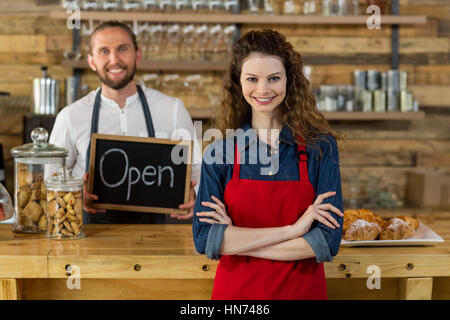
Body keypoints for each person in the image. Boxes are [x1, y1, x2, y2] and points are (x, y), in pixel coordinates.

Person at [192, 30, 344, 300]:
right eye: (252, 79)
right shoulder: (219, 153)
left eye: (274, 78)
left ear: (289, 80)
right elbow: (205, 239)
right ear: (239, 83)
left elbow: (326, 241)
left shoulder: (321, 148)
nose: (263, 90)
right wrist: (294, 231)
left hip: (302, 292)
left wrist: (234, 241)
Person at [50, 21, 201, 224]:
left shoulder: (172, 109)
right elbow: (50, 179)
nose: (114, 59)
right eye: (104, 51)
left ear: (137, 55)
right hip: (91, 238)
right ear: (92, 61)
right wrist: (75, 193)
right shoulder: (70, 116)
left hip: (156, 237)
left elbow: (197, 171)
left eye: (122, 49)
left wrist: (193, 194)